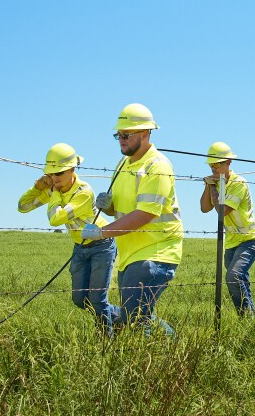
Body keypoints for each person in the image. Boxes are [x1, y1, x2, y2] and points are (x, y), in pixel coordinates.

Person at [82, 103, 183, 336]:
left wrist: (102, 232)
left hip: (156, 252)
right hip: (129, 254)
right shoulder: (123, 164)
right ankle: (176, 347)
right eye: (118, 135)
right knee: (138, 315)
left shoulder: (157, 166)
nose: (121, 139)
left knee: (136, 320)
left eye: (126, 135)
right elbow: (123, 209)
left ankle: (151, 365)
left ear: (145, 134)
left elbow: (145, 214)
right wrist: (108, 207)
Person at [18, 143, 118, 334]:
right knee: (79, 300)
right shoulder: (53, 189)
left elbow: (56, 218)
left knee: (97, 299)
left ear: (72, 169)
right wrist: (36, 187)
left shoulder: (83, 192)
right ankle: (119, 317)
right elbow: (23, 206)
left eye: (59, 173)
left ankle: (107, 340)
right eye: (51, 174)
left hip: (102, 245)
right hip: (80, 247)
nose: (54, 179)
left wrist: (53, 194)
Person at [198, 141, 255, 317]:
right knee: (239, 279)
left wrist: (213, 186)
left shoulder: (238, 183)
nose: (213, 167)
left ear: (228, 163)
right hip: (232, 242)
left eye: (217, 163)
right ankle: (251, 317)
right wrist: (208, 184)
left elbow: (222, 210)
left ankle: (246, 317)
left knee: (233, 277)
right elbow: (204, 208)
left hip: (249, 239)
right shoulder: (217, 183)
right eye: (211, 164)